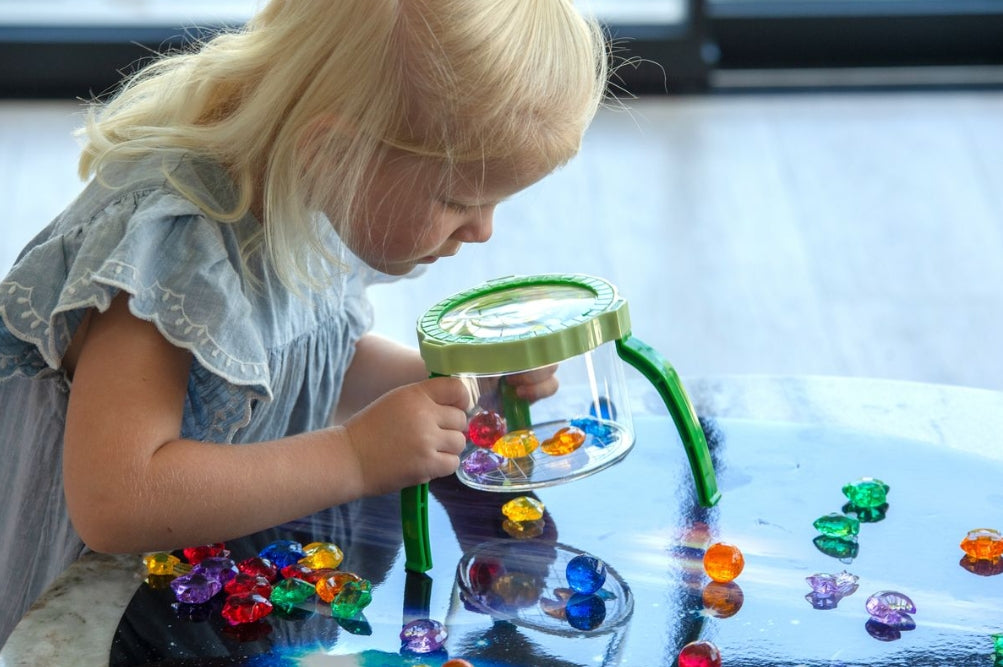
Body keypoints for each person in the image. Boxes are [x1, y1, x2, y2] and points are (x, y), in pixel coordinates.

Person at [0, 0, 608, 647]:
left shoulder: (305, 187)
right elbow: (118, 502)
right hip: (96, 610)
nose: (483, 230)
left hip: (208, 579)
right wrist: (353, 455)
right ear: (334, 149)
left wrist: (449, 383)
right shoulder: (173, 249)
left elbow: (282, 362)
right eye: (457, 200)